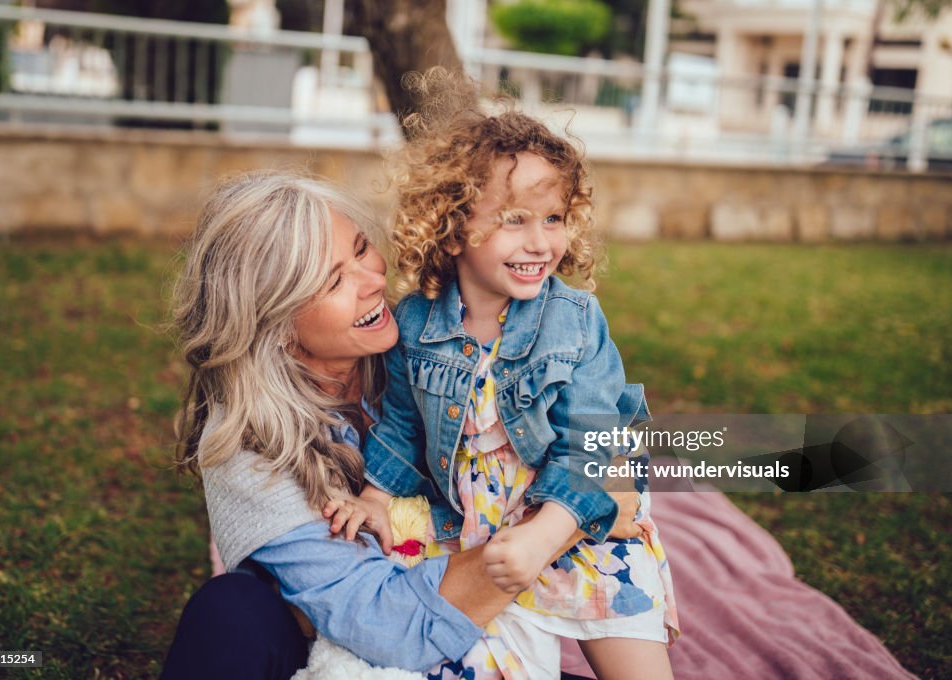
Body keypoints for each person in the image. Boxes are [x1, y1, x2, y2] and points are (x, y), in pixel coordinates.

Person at [161, 171, 640, 679]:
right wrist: (562, 525)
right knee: (230, 611)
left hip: (476, 633)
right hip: (366, 653)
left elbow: (598, 440)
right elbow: (390, 626)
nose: (373, 281)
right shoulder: (247, 447)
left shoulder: (427, 348)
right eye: (334, 281)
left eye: (361, 249)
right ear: (274, 323)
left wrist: (581, 481)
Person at [335, 75, 680, 680]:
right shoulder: (415, 323)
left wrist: (545, 535)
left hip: (575, 521)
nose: (540, 242)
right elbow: (402, 426)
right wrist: (375, 498)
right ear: (454, 225)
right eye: (515, 220)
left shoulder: (575, 322)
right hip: (475, 537)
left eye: (554, 218)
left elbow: (593, 445)